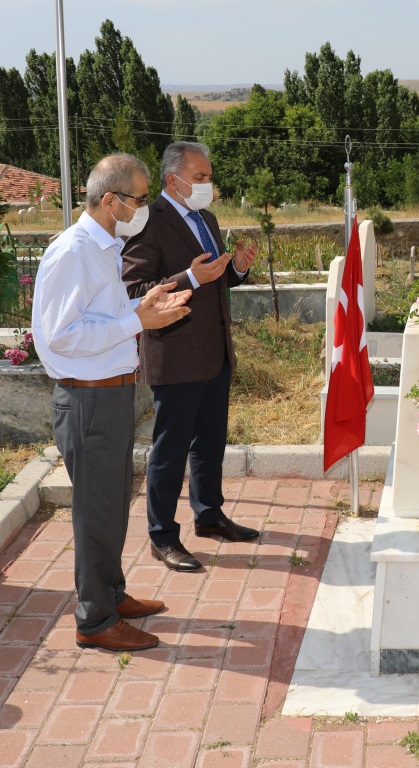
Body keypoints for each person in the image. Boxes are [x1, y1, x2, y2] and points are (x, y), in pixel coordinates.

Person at [31, 153, 193, 652]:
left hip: (111, 393)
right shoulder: (73, 251)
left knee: (112, 504)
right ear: (110, 200)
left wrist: (143, 305)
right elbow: (60, 336)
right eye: (140, 199)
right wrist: (137, 322)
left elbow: (103, 313)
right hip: (88, 399)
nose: (145, 208)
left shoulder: (105, 246)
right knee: (96, 511)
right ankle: (95, 619)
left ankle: (111, 595)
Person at [122, 141, 260, 572]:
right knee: (171, 450)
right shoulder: (147, 221)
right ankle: (162, 536)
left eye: (209, 177)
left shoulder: (206, 218)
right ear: (173, 180)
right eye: (199, 178)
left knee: (210, 443)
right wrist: (190, 278)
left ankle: (209, 515)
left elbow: (215, 282)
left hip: (214, 352)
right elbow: (134, 290)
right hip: (176, 353)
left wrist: (236, 269)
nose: (207, 185)